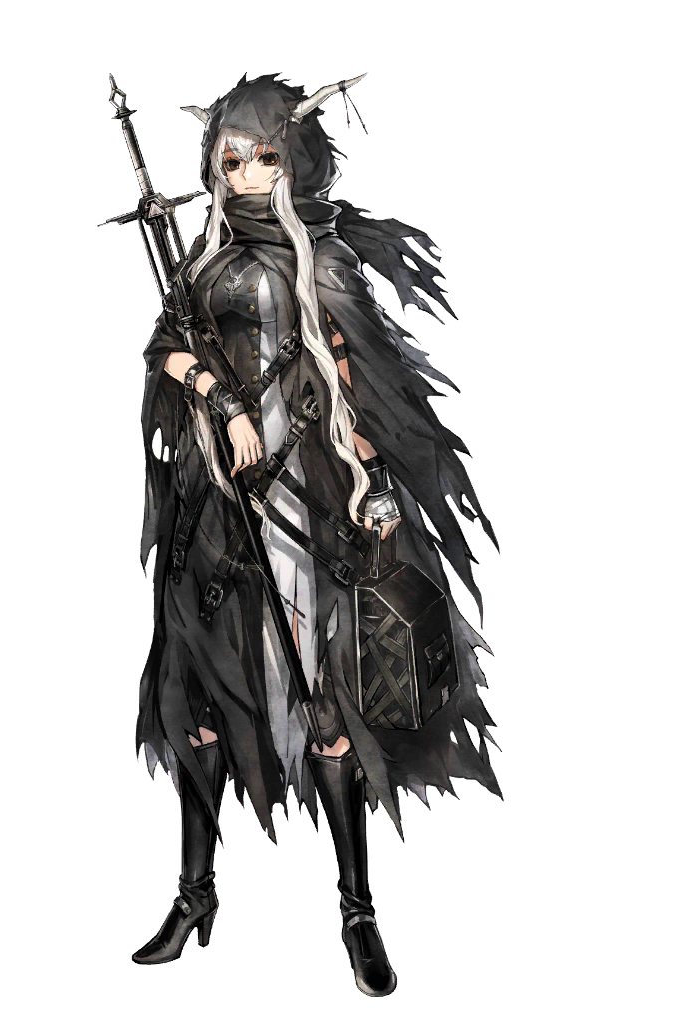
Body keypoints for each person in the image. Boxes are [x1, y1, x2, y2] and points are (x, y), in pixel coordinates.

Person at [130, 72, 501, 997]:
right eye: (229, 161)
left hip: (300, 502)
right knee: (196, 695)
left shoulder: (320, 262)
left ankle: (357, 911)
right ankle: (194, 894)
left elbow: (354, 379)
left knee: (326, 702)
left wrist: (365, 481)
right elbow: (161, 349)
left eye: (262, 158)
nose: (244, 176)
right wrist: (217, 400)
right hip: (211, 501)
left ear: (292, 162)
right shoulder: (203, 261)